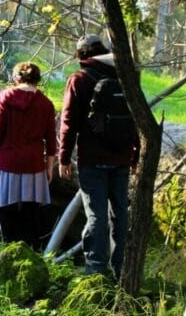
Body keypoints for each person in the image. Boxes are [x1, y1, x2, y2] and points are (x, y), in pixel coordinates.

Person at [58, 34, 138, 278]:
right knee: (120, 213)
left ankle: (95, 268)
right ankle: (122, 267)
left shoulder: (79, 79)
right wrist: (135, 155)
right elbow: (136, 118)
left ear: (82, 55)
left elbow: (68, 122)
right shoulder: (125, 76)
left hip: (92, 158)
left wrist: (63, 158)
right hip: (122, 157)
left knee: (96, 215)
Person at [0, 61, 57, 248]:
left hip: (7, 162)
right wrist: (49, 168)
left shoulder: (6, 96)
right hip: (34, 166)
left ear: (17, 77)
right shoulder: (46, 104)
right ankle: (30, 253)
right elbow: (51, 140)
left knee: (7, 211)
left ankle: (8, 251)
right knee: (31, 214)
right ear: (37, 80)